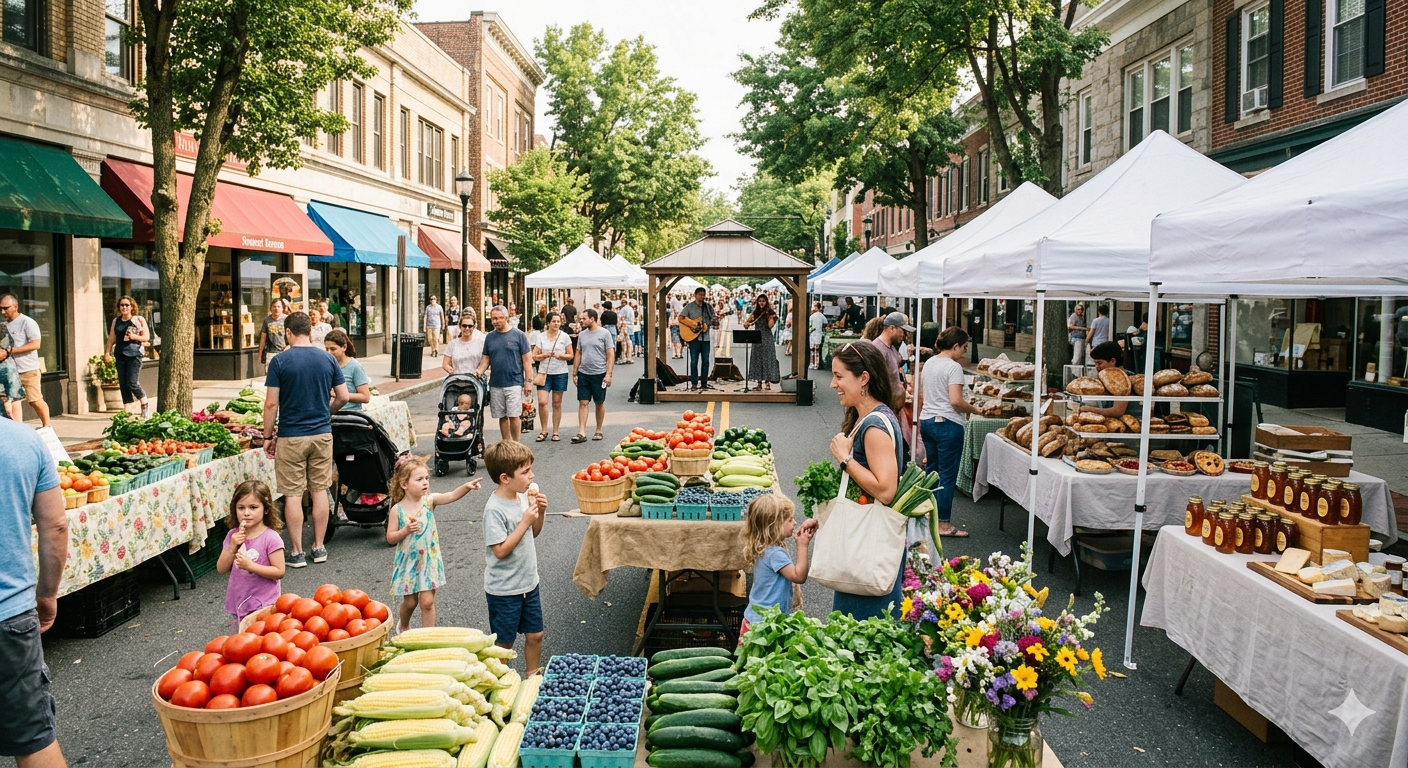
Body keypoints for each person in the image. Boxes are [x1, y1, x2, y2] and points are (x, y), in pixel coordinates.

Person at [795, 341, 908, 619]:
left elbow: (885, 490)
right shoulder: (872, 417)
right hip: (865, 545)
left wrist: (845, 460)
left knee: (865, 636)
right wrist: (826, 518)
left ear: (864, 379)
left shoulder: (874, 426)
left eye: (839, 376)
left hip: (866, 548)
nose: (833, 384)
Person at [0, 415, 68, 768]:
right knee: (33, 739)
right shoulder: (24, 441)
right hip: (9, 614)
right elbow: (55, 525)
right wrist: (47, 594)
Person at [262, 311, 349, 568]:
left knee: (292, 493)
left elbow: (270, 403)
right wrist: (325, 412)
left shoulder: (279, 361)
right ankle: (319, 546)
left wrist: (268, 436)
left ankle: (297, 551)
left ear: (288, 332)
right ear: (310, 332)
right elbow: (343, 396)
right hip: (322, 434)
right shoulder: (328, 359)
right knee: (319, 489)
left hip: (291, 435)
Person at [388, 455, 480, 631]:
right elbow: (390, 538)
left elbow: (450, 495)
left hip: (429, 560)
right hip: (408, 562)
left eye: (426, 478)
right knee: (410, 602)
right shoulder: (397, 510)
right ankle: (404, 625)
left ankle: (428, 637)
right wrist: (405, 530)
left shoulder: (429, 501)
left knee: (427, 602)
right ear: (404, 484)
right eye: (419, 479)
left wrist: (467, 487)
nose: (425, 483)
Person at [483, 440, 549, 672]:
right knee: (504, 642)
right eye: (525, 472)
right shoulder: (494, 509)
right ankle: (501, 681)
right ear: (505, 478)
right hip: (505, 589)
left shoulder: (523, 498)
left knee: (536, 634)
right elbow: (500, 551)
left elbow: (534, 533)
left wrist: (539, 513)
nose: (531, 476)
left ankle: (532, 675)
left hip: (529, 582)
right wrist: (525, 521)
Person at [918, 327, 983, 538]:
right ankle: (943, 524)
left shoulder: (929, 362)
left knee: (932, 472)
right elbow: (955, 401)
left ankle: (929, 514)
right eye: (963, 347)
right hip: (947, 423)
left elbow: (923, 393)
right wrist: (973, 409)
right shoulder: (953, 367)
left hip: (927, 420)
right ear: (955, 346)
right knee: (947, 476)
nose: (964, 352)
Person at [740, 494, 813, 637]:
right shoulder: (775, 554)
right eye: (790, 519)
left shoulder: (764, 547)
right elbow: (799, 576)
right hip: (766, 624)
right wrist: (803, 546)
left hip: (754, 619)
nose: (795, 522)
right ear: (774, 525)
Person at [215, 480, 285, 626]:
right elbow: (221, 568)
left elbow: (279, 571)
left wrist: (251, 566)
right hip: (241, 599)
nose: (246, 513)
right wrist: (232, 547)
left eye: (253, 507)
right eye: (241, 508)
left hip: (264, 603)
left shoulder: (271, 538)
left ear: (266, 509)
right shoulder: (232, 535)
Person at [475, 306, 533, 443]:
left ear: (506, 318)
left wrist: (528, 382)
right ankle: (506, 443)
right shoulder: (490, 337)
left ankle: (516, 444)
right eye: (493, 318)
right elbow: (486, 359)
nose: (495, 321)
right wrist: (479, 371)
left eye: (498, 318)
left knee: (514, 415)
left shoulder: (519, 335)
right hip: (496, 383)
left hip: (514, 382)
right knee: (502, 416)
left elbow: (527, 360)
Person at [1, 295, 50, 427]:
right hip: (11, 372)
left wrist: (10, 351)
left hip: (28, 369)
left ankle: (47, 427)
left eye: (6, 308)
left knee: (35, 400)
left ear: (15, 306)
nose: (3, 312)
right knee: (13, 402)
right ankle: (19, 430)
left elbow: (35, 344)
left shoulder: (27, 322)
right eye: (1, 309)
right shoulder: (3, 326)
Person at [103, 294, 152, 419]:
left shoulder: (138, 319)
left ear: (131, 307)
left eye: (126, 305)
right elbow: (111, 338)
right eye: (122, 305)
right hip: (120, 354)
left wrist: (134, 337)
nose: (124, 307)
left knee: (132, 382)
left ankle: (144, 402)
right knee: (123, 383)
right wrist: (107, 353)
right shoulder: (116, 321)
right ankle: (127, 408)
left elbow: (146, 337)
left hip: (134, 354)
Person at [571, 308, 614, 443]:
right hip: (584, 373)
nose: (581, 321)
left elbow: (610, 354)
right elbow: (578, 353)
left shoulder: (605, 333)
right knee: (583, 402)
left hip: (599, 373)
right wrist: (575, 372)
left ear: (592, 319)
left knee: (599, 402)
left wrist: (608, 374)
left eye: (584, 319)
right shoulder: (582, 335)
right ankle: (582, 432)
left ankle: (598, 430)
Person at [532, 312, 573, 443]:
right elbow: (534, 356)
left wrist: (561, 356)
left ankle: (555, 431)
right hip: (544, 373)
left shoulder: (565, 336)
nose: (556, 324)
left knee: (556, 403)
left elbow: (570, 355)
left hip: (560, 373)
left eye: (558, 321)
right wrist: (545, 355)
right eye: (554, 321)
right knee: (542, 402)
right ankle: (544, 430)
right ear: (548, 323)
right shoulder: (541, 337)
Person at [1078, 341, 1130, 419]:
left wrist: (1090, 410)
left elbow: (1118, 411)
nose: (1097, 367)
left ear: (1113, 361)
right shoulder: (1106, 378)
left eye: (1099, 363)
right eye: (1095, 363)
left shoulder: (1122, 380)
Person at [324, 329, 372, 411]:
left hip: (350, 414)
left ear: (344, 347)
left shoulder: (355, 367)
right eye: (326, 349)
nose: (329, 353)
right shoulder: (326, 365)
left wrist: (342, 395)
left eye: (333, 349)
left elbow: (365, 397)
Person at [680, 287, 716, 391]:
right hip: (693, 339)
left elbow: (713, 320)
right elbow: (681, 318)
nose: (702, 296)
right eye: (700, 294)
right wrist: (693, 324)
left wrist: (713, 322)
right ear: (695, 295)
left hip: (706, 339)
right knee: (694, 361)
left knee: (705, 361)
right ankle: (694, 383)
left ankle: (704, 383)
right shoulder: (689, 307)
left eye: (703, 294)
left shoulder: (708, 307)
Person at [743, 293, 781, 390]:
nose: (761, 303)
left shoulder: (770, 312)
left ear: (766, 302)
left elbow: (770, 326)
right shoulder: (755, 312)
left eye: (763, 301)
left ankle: (767, 383)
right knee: (757, 359)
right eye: (759, 301)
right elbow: (746, 323)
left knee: (767, 359)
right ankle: (759, 383)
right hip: (757, 338)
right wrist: (747, 323)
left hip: (767, 338)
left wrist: (771, 317)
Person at [444, 307, 487, 378]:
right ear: (460, 326)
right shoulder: (452, 344)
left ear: (474, 327)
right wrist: (449, 369)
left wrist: (480, 371)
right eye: (464, 326)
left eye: (470, 326)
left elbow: (485, 360)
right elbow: (445, 364)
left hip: (475, 379)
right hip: (457, 378)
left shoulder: (481, 342)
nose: (467, 328)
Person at [257, 298, 287, 367]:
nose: (276, 308)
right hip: (270, 352)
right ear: (271, 308)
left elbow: (293, 335)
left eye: (278, 306)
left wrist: (288, 346)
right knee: (271, 374)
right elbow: (263, 338)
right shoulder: (267, 320)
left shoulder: (287, 319)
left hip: (284, 352)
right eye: (274, 306)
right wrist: (260, 354)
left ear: (282, 308)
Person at [809, 302, 827, 369]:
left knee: (812, 350)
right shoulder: (822, 316)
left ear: (816, 307)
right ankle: (817, 364)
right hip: (819, 334)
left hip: (813, 334)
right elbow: (825, 323)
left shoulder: (812, 316)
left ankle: (812, 363)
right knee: (817, 350)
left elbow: (809, 325)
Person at [617, 299, 636, 364]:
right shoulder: (630, 309)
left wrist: (621, 323)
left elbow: (620, 317)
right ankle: (629, 357)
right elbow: (632, 319)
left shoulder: (623, 309)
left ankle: (624, 357)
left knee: (624, 344)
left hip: (625, 326)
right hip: (630, 326)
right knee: (629, 342)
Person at [668, 294, 684, 359]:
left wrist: (674, 322)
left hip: (679, 328)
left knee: (678, 341)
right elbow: (670, 322)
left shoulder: (680, 313)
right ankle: (674, 353)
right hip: (673, 328)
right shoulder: (671, 314)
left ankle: (679, 353)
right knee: (674, 341)